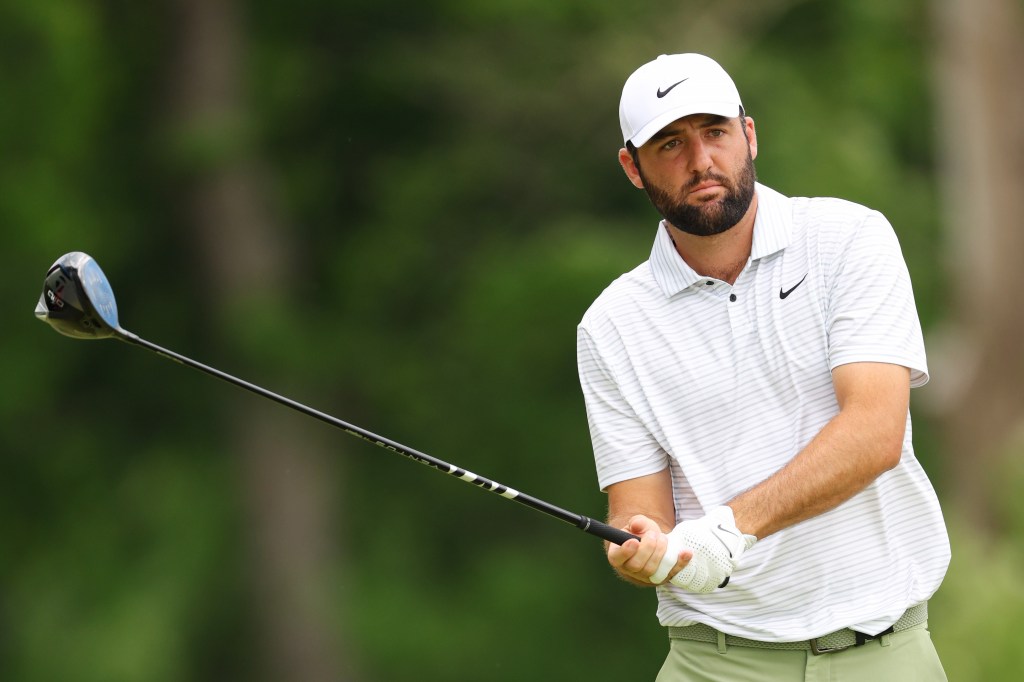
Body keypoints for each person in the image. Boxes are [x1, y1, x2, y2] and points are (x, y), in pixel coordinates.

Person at [576, 53, 950, 681]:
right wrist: (642, 549)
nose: (700, 161)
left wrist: (727, 531)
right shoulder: (611, 323)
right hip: (713, 661)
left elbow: (876, 432)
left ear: (748, 134)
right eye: (670, 144)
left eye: (715, 133)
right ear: (632, 167)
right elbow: (639, 511)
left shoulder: (849, 238)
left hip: (883, 654)